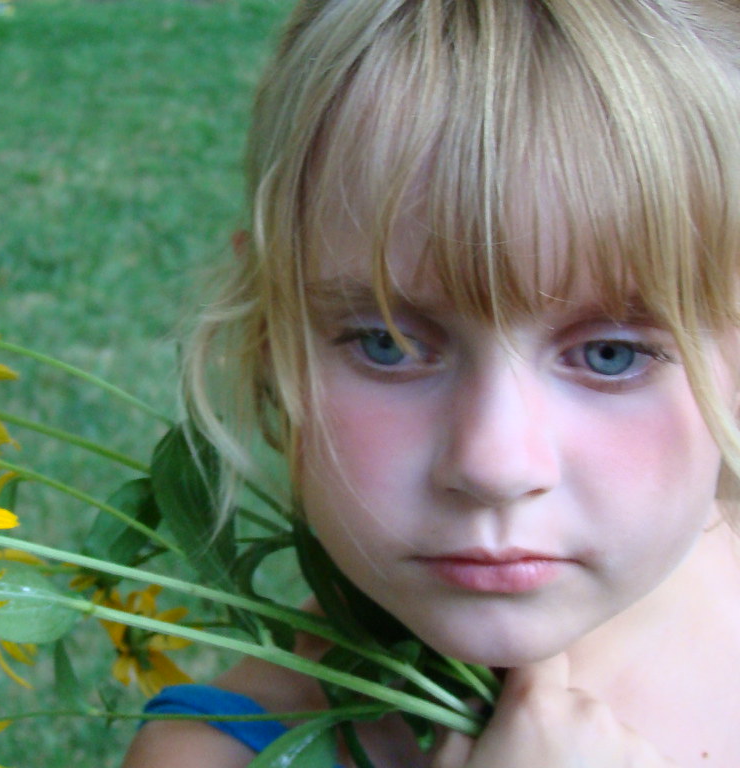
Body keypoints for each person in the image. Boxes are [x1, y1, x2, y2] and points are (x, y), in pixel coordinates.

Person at [123, 0, 740, 765]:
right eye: (385, 343)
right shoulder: (217, 756)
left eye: (612, 354)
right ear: (267, 336)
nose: (494, 465)